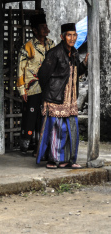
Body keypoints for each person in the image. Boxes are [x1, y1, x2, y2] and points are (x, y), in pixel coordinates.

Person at [36, 23, 89, 169]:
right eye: (69, 35)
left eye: (74, 35)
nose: (72, 38)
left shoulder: (75, 53)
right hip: (56, 98)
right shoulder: (54, 53)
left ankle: (69, 159)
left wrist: (84, 63)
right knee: (56, 129)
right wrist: (49, 94)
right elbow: (43, 75)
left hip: (70, 99)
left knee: (71, 129)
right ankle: (53, 160)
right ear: (62, 37)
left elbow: (77, 72)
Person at [16, 13, 56, 154]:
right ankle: (25, 145)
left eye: (46, 26)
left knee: (43, 115)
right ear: (34, 30)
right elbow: (20, 69)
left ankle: (40, 146)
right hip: (32, 87)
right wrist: (22, 90)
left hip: (47, 87)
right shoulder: (28, 46)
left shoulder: (51, 44)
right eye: (42, 27)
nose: (45, 29)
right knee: (30, 115)